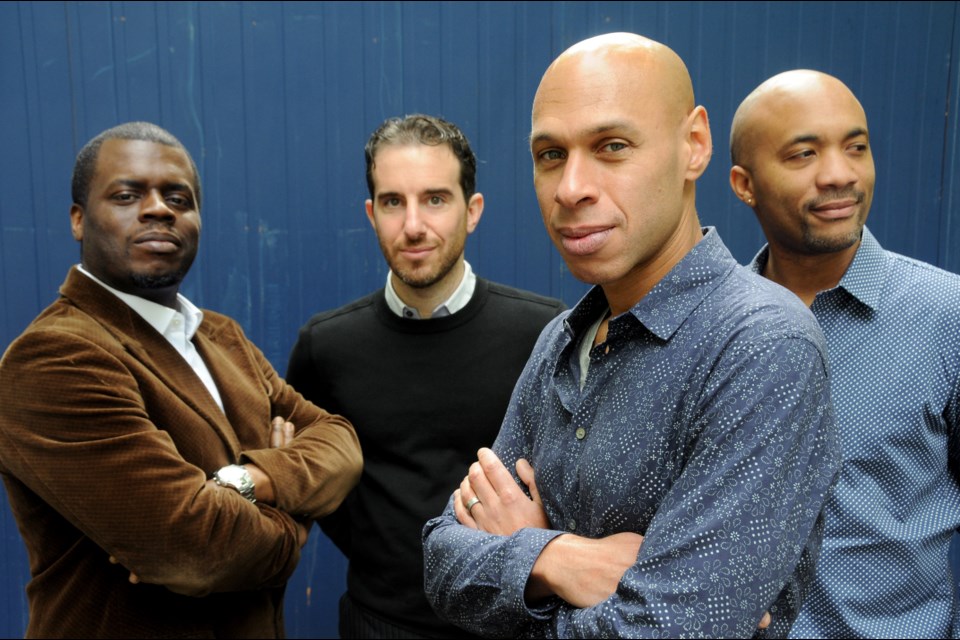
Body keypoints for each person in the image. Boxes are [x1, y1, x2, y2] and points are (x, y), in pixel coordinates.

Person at [422, 32, 841, 638]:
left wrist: (518, 558)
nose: (571, 188)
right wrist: (561, 558)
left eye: (612, 146)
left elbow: (670, 629)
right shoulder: (562, 340)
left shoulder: (762, 346)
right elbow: (441, 561)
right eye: (550, 155)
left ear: (694, 145)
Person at [0, 122, 363, 639]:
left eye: (178, 197)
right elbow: (195, 549)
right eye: (127, 195)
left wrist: (245, 483)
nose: (159, 209)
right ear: (79, 219)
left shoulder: (220, 336)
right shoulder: (55, 357)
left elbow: (342, 443)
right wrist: (295, 526)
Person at [286, 114, 565, 638]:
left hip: (510, 623)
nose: (413, 224)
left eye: (435, 199)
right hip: (379, 621)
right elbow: (315, 478)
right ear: (371, 214)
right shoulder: (326, 346)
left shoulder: (545, 332)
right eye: (393, 202)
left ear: (472, 210)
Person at [729, 69, 960, 638]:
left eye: (855, 148)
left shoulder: (947, 317)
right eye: (803, 154)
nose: (839, 175)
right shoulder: (711, 327)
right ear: (744, 184)